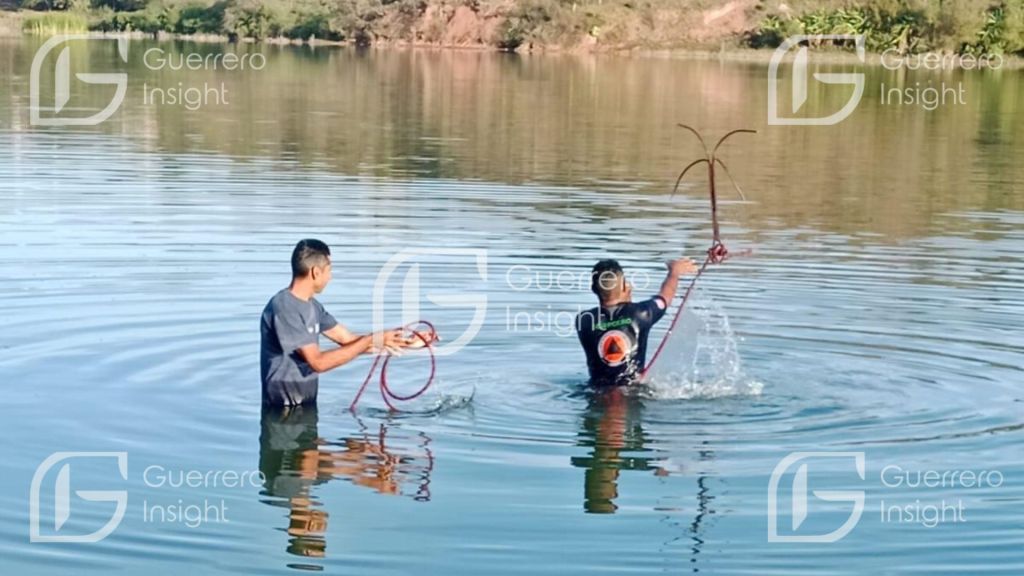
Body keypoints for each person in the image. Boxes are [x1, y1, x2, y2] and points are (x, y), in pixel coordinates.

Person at [260, 239, 414, 406]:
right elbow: (318, 363)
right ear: (315, 272)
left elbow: (349, 341)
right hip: (282, 416)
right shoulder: (285, 307)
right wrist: (370, 339)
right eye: (329, 270)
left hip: (305, 407)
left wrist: (411, 342)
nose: (330, 277)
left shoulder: (313, 307)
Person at [575, 257, 697, 387]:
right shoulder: (641, 314)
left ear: (593, 288)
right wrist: (674, 272)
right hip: (632, 391)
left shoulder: (584, 321)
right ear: (624, 287)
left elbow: (613, 319)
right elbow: (665, 296)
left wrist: (623, 300)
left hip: (597, 392)